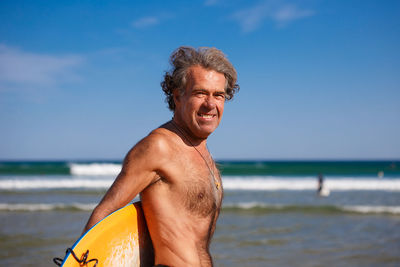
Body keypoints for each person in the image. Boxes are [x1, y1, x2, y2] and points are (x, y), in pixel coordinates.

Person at [82, 46, 239, 266]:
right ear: (178, 96)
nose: (210, 104)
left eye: (218, 95)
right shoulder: (158, 147)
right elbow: (102, 218)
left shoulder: (201, 150)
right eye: (200, 93)